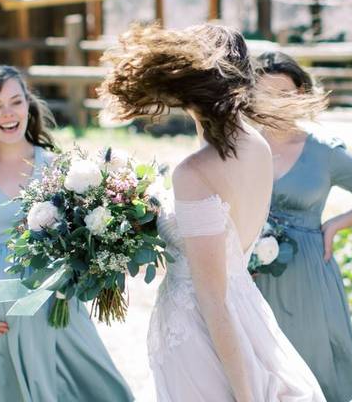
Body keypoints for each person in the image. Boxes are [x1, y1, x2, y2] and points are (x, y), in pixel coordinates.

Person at [100, 24, 325, 402]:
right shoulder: (257, 147)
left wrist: (247, 394)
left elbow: (212, 298)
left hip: (203, 334)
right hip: (248, 314)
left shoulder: (195, 171)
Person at [0, 65, 132, 402]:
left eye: (16, 101)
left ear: (29, 105)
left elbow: (85, 236)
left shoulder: (59, 169)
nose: (8, 113)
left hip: (51, 315)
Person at [253, 51, 352, 402]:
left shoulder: (323, 152)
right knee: (259, 371)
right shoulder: (241, 147)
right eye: (265, 93)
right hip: (251, 277)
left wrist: (335, 223)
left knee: (315, 366)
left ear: (302, 95)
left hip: (308, 276)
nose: (274, 102)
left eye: (284, 93)